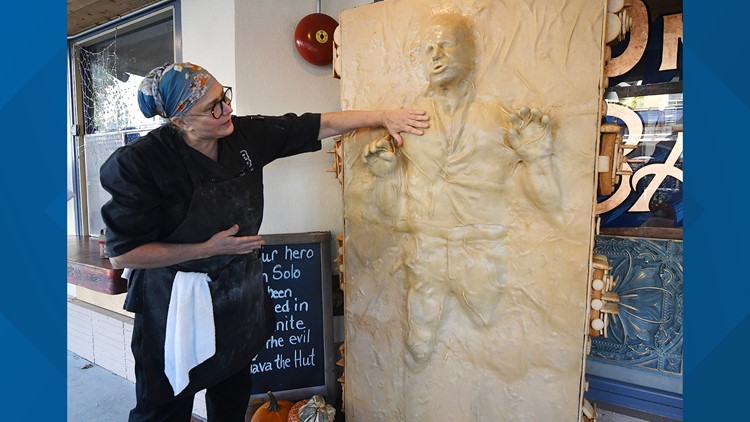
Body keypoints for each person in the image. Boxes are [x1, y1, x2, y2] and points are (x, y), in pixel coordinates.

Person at [99, 62, 429, 422]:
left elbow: (317, 124)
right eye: (212, 107)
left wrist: (385, 117)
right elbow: (123, 254)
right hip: (176, 304)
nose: (228, 110)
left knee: (232, 396)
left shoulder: (242, 136)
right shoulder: (142, 164)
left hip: (238, 301)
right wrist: (207, 249)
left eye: (224, 96)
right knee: (163, 407)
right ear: (180, 121)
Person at [361, 13, 562, 369]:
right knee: (419, 351)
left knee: (490, 340)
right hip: (426, 254)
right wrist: (384, 176)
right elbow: (380, 216)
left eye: (445, 45)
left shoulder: (502, 119)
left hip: (481, 253)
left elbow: (549, 203)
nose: (435, 55)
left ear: (470, 52)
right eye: (427, 50)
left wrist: (538, 157)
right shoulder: (406, 125)